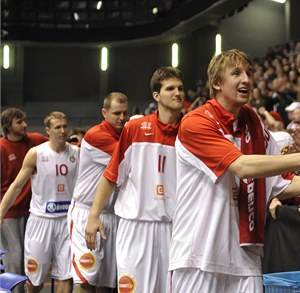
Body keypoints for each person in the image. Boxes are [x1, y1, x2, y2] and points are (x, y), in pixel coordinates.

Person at [170, 49, 300, 292]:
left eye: (249, 73)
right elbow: (242, 166)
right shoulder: (196, 122)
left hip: (246, 257)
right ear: (217, 83)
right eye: (237, 73)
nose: (247, 80)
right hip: (199, 256)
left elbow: (284, 183)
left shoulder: (254, 123)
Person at [85, 67, 184, 292]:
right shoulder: (135, 129)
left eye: (180, 88)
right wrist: (94, 215)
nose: (178, 93)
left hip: (175, 228)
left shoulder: (189, 131)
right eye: (170, 88)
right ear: (156, 96)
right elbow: (111, 176)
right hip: (136, 225)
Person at [0, 111, 78, 292]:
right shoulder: (35, 153)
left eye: (65, 126)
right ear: (48, 131)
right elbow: (16, 186)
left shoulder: (78, 153)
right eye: (58, 127)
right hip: (40, 222)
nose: (63, 131)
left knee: (67, 276)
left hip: (67, 222)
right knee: (35, 280)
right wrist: (1, 212)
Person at [69, 92, 129, 292]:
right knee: (86, 279)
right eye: (116, 113)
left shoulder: (125, 135)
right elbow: (132, 160)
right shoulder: (97, 135)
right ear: (104, 112)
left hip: (113, 215)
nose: (122, 118)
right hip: (87, 213)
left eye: (125, 113)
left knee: (107, 281)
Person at [0, 108, 48, 291]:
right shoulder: (2, 148)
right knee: (14, 258)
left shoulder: (35, 140)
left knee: (32, 258)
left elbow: (58, 146)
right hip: (9, 213)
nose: (24, 125)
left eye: (24, 120)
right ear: (8, 126)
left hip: (33, 212)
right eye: (19, 122)